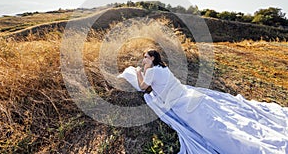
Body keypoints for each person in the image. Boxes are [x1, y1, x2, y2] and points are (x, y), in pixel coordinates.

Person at [118, 49, 288, 154]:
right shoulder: (164, 67)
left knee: (209, 124)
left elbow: (142, 87)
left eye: (146, 57)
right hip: (184, 92)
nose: (143, 59)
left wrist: (140, 72)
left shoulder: (151, 71)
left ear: (152, 58)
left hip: (178, 100)